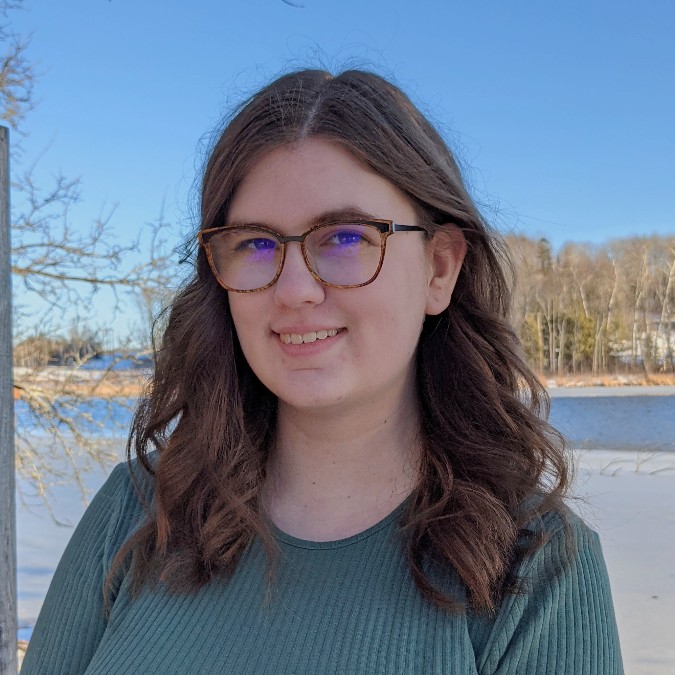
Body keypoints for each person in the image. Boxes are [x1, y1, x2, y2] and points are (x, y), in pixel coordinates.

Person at [21, 69, 623, 674]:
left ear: (440, 269)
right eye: (256, 244)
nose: (295, 289)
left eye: (344, 236)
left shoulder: (535, 567)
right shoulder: (134, 516)